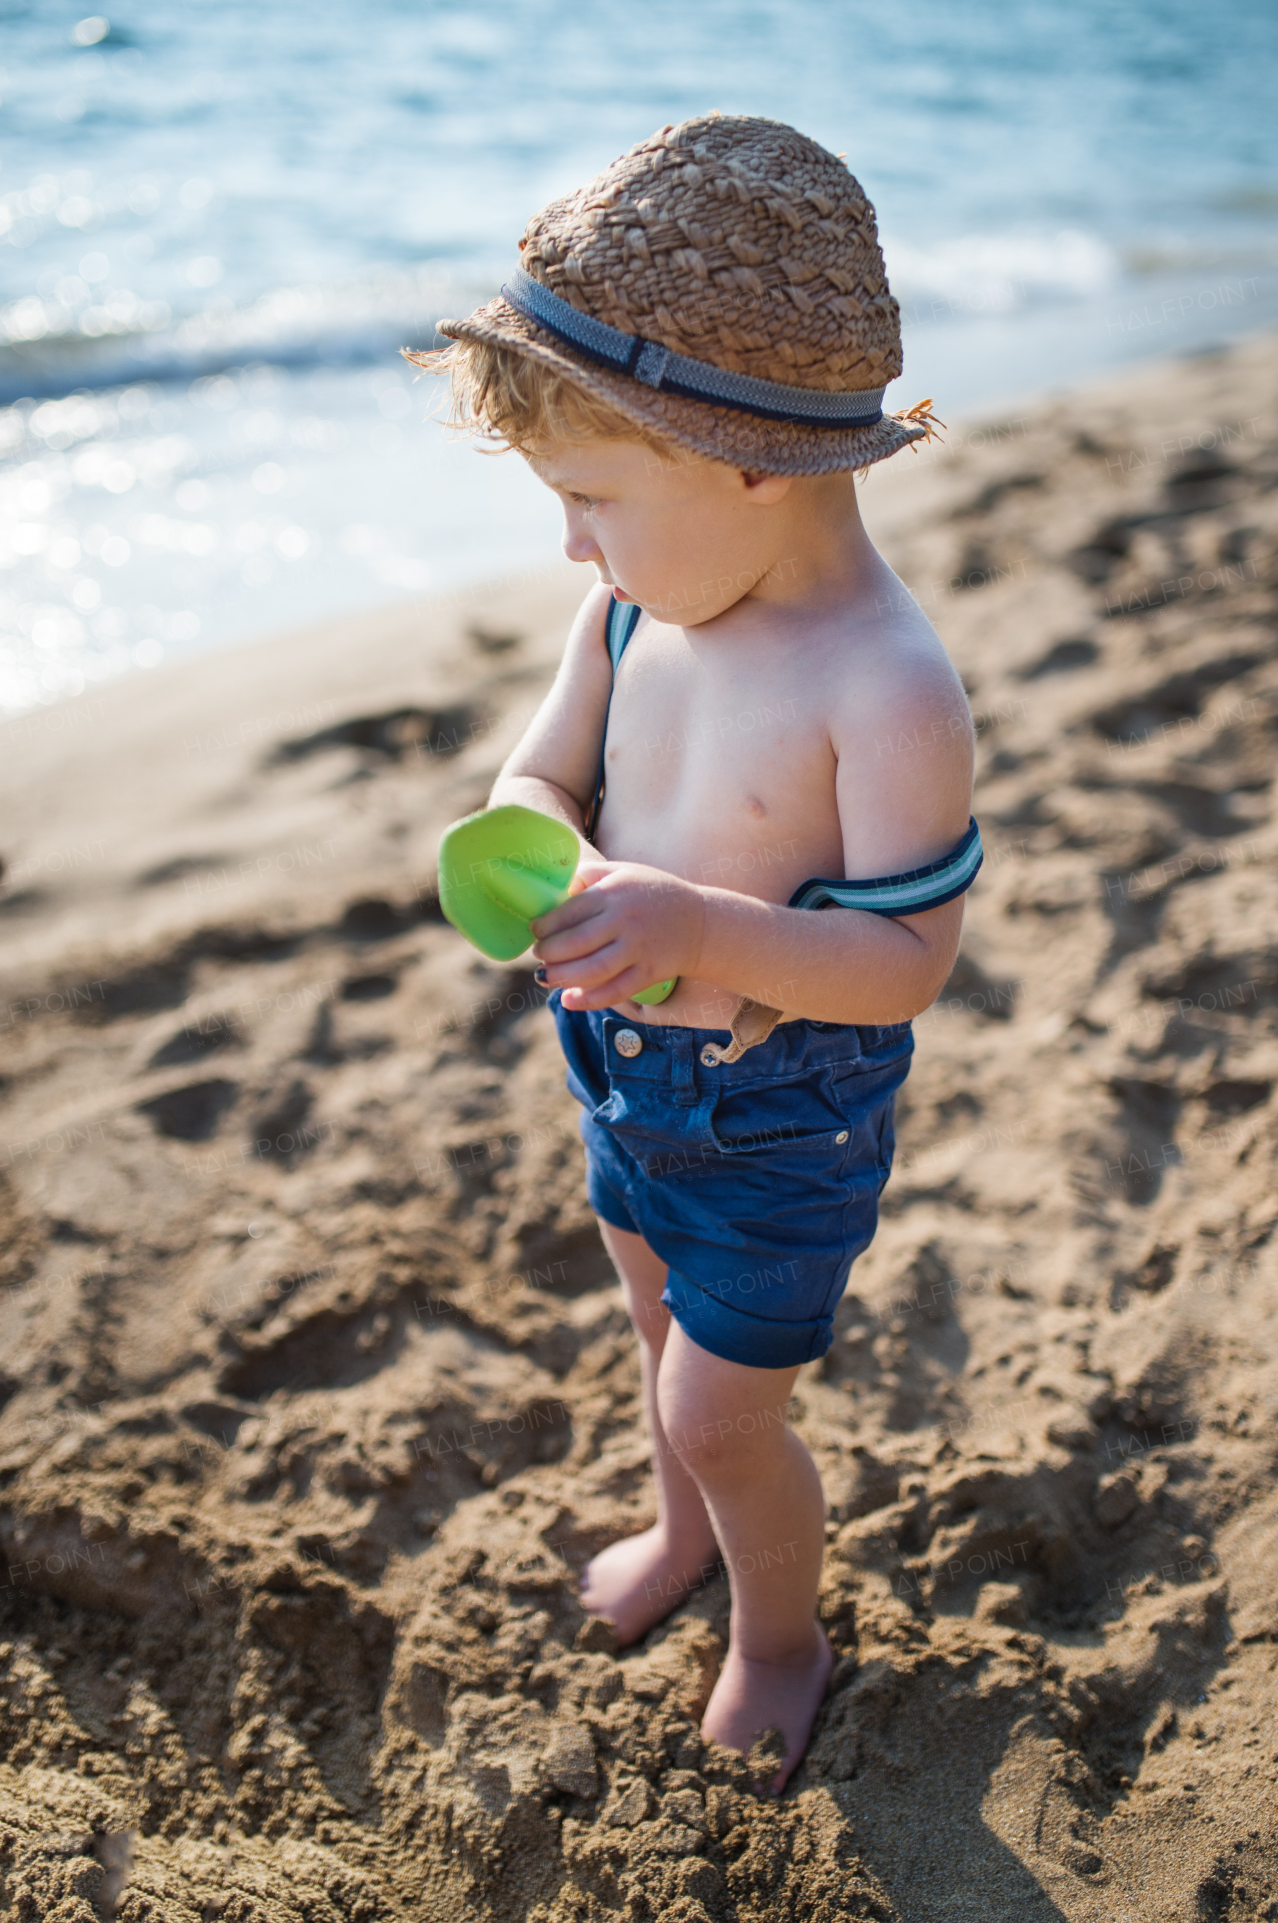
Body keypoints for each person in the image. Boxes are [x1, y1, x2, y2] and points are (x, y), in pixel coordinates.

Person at [410, 112, 978, 1793]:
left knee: (727, 1407)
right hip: (625, 1077)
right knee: (656, 1344)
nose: (570, 546)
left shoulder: (883, 687)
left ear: (747, 462)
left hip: (776, 1119)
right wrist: (549, 850)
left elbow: (902, 965)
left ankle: (780, 1636)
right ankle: (681, 1535)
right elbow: (543, 770)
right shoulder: (635, 605)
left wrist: (690, 924)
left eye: (591, 497)